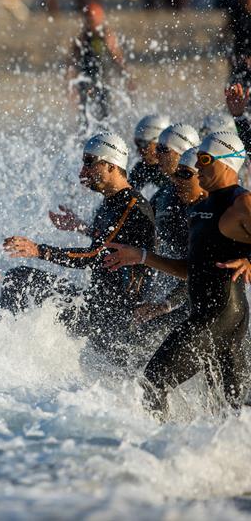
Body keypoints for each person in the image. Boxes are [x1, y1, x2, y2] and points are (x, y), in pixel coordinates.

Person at [105, 131, 251, 418]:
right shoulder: (199, 210)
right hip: (213, 314)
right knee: (229, 410)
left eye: (205, 160)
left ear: (228, 164)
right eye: (197, 160)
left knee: (152, 382)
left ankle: (158, 450)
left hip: (221, 314)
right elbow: (191, 270)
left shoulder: (241, 202)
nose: (199, 167)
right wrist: (143, 257)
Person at [0, 133, 156, 365]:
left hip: (112, 318)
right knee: (18, 279)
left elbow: (95, 256)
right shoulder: (112, 202)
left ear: (111, 165)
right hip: (93, 303)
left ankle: (9, 358)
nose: (82, 171)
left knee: (20, 278)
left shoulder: (132, 206)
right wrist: (81, 227)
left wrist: (38, 250)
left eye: (89, 162)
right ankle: (9, 351)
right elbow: (107, 241)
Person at [133, 148, 207, 331]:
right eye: (176, 174)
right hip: (185, 295)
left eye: (184, 174)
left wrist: (166, 305)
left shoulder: (215, 213)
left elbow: (195, 272)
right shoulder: (166, 196)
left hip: (207, 306)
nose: (176, 180)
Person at [67, 2, 132, 130]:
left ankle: (106, 139)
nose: (90, 21)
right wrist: (70, 85)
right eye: (87, 18)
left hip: (103, 80)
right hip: (85, 81)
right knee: (84, 115)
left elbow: (117, 57)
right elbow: (71, 63)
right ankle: (84, 141)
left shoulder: (106, 35)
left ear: (100, 17)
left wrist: (127, 76)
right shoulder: (82, 38)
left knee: (105, 113)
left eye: (92, 18)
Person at [151, 123, 200, 259]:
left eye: (163, 149)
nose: (156, 155)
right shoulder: (163, 194)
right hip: (171, 276)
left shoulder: (205, 194)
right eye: (157, 148)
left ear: (184, 152)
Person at [129, 114, 171, 191]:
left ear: (159, 143)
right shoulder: (141, 170)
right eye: (137, 143)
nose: (139, 149)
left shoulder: (178, 173)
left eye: (143, 143)